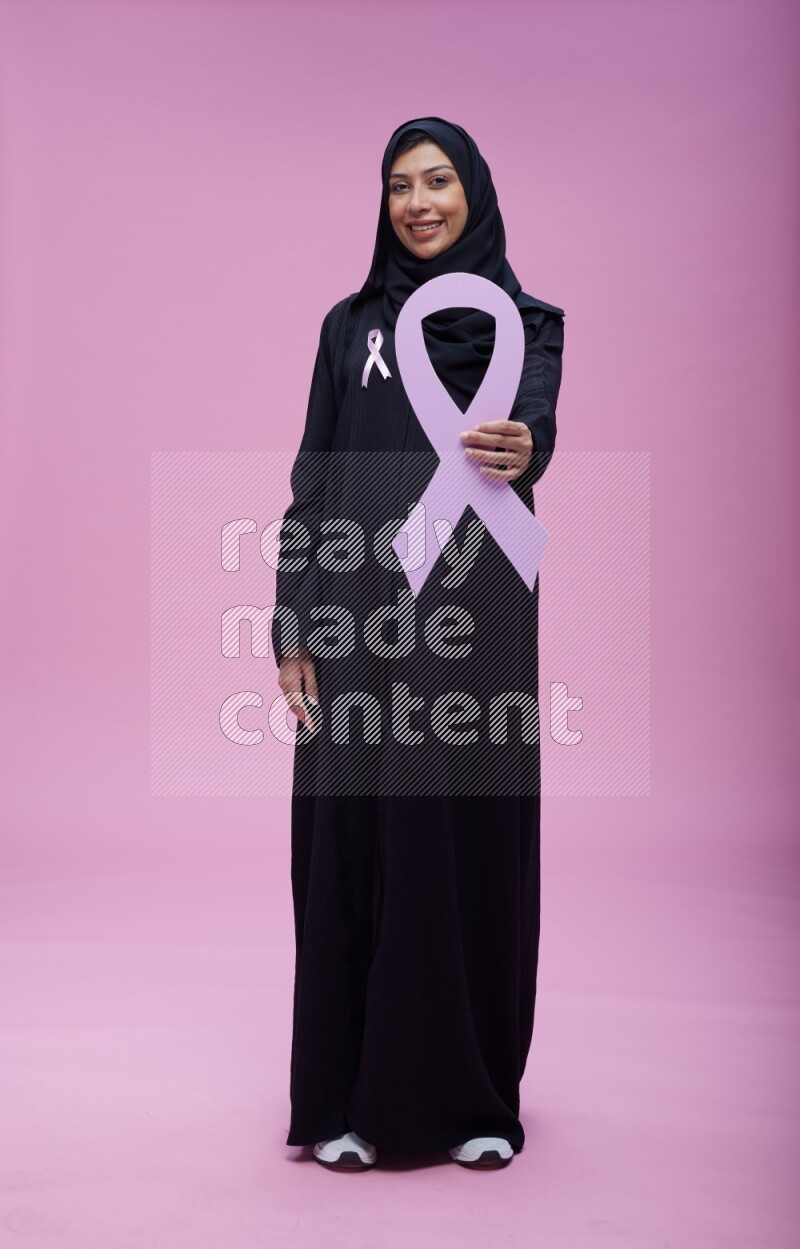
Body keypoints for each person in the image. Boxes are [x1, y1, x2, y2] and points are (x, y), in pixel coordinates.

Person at [271, 117, 565, 1170]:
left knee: (460, 842)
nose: (417, 201)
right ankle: (349, 1097)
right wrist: (290, 622)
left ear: (473, 192)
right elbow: (312, 479)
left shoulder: (525, 323)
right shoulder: (347, 326)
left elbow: (528, 443)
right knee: (353, 846)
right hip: (354, 621)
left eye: (437, 180)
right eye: (398, 185)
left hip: (473, 626)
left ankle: (473, 1098)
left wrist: (524, 443)